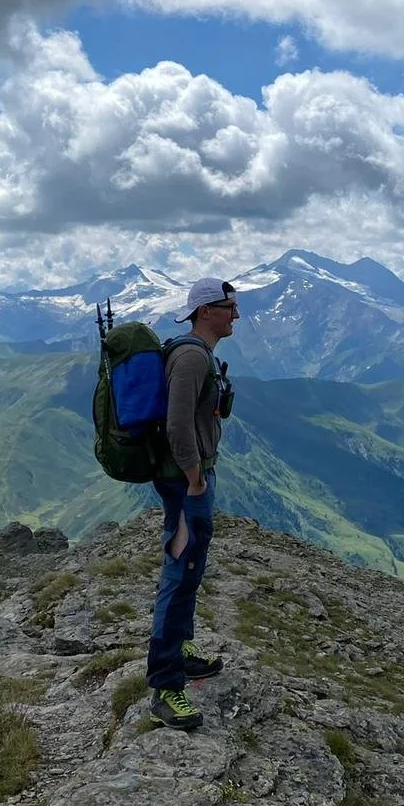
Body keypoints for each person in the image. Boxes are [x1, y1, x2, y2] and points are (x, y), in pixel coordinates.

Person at [147, 276, 238, 730]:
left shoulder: (197, 355)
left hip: (191, 479)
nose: (235, 315)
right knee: (178, 571)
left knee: (190, 568)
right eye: (229, 307)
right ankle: (166, 687)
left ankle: (181, 648)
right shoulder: (189, 358)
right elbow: (177, 425)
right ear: (206, 311)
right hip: (187, 484)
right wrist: (196, 481)